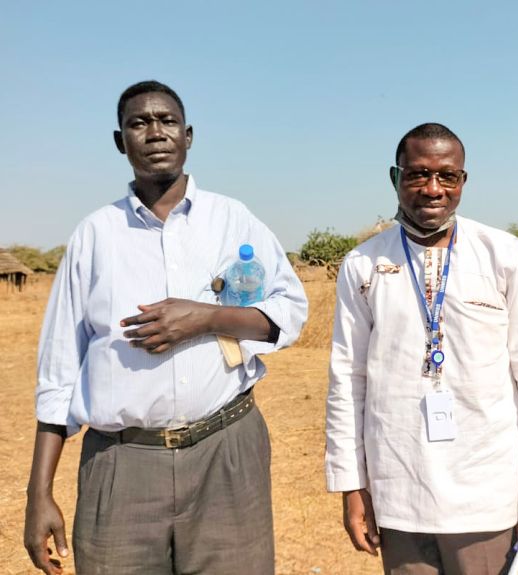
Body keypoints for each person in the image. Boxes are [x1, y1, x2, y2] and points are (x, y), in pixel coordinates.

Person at [23, 80, 308, 574]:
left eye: (167, 121)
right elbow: (59, 372)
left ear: (188, 135)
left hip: (226, 447)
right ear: (120, 142)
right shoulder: (94, 236)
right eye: (139, 123)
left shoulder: (232, 219)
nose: (155, 132)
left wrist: (205, 316)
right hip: (121, 463)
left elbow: (291, 312)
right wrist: (38, 492)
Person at [325, 122, 518, 574]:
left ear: (463, 181)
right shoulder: (362, 264)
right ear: (395, 177)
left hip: (487, 493)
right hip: (398, 489)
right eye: (417, 174)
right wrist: (352, 485)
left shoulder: (504, 254)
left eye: (447, 176)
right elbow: (347, 381)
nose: (433, 189)